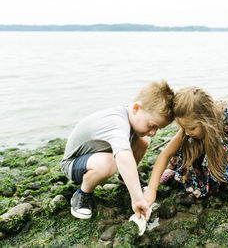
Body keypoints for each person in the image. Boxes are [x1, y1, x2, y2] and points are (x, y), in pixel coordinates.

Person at [61, 80, 174, 220]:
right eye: (152, 125)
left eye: (158, 128)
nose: (153, 132)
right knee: (108, 164)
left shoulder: (131, 115)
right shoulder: (116, 123)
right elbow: (124, 157)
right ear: (136, 108)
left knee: (144, 140)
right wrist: (137, 199)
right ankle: (82, 194)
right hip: (73, 164)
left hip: (96, 154)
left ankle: (124, 178)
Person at [144, 86, 228, 205]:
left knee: (221, 145)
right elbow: (165, 154)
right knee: (185, 143)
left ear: (205, 119)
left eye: (192, 128)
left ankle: (225, 179)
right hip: (211, 154)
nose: (188, 132)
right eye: (184, 128)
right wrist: (151, 189)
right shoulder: (189, 128)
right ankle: (182, 173)